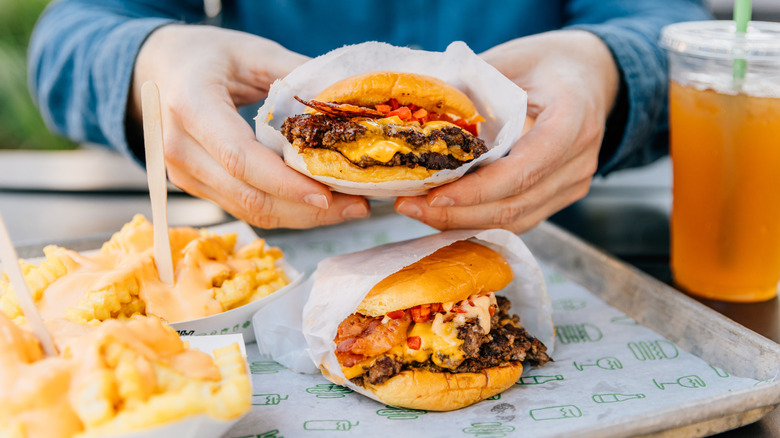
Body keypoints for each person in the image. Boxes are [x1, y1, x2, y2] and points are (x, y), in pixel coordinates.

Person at [28, 0, 711, 232]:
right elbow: (67, 39)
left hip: (552, 234)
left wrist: (608, 69)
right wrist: (153, 60)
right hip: (267, 239)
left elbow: (670, 26)